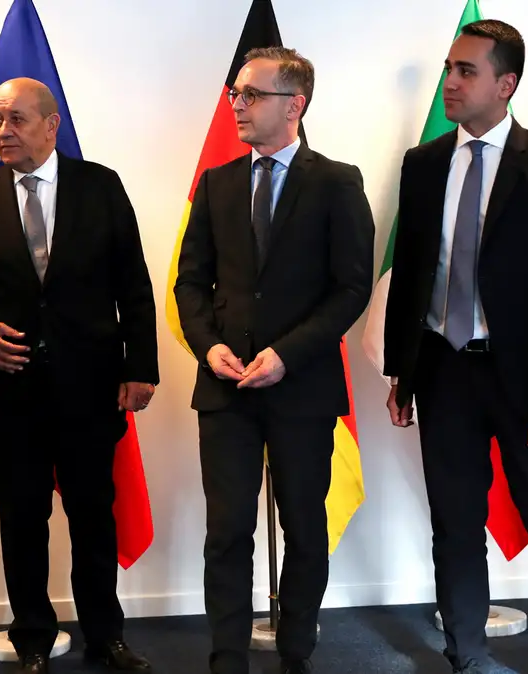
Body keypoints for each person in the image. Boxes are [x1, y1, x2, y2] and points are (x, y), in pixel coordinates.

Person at [382, 19, 528, 674]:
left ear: (505, 84)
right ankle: (467, 654)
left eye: (466, 71)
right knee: (454, 525)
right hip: (442, 371)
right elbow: (413, 272)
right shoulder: (424, 164)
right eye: (448, 69)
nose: (450, 82)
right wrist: (402, 373)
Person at [173, 47, 374, 674]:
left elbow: (351, 288)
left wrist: (286, 355)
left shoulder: (337, 182)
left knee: (305, 530)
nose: (237, 104)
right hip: (226, 388)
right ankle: (227, 657)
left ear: (295, 104)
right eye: (236, 93)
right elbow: (190, 283)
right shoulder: (217, 183)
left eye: (252, 95)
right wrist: (209, 346)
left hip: (302, 387)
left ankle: (296, 652)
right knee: (227, 531)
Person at [0, 78, 158, 674]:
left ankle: (106, 635)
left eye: (16, 119)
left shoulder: (101, 186)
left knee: (93, 515)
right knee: (22, 521)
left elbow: (134, 283)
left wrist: (141, 368)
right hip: (11, 390)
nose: (3, 131)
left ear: (51, 125)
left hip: (90, 387)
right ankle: (34, 638)